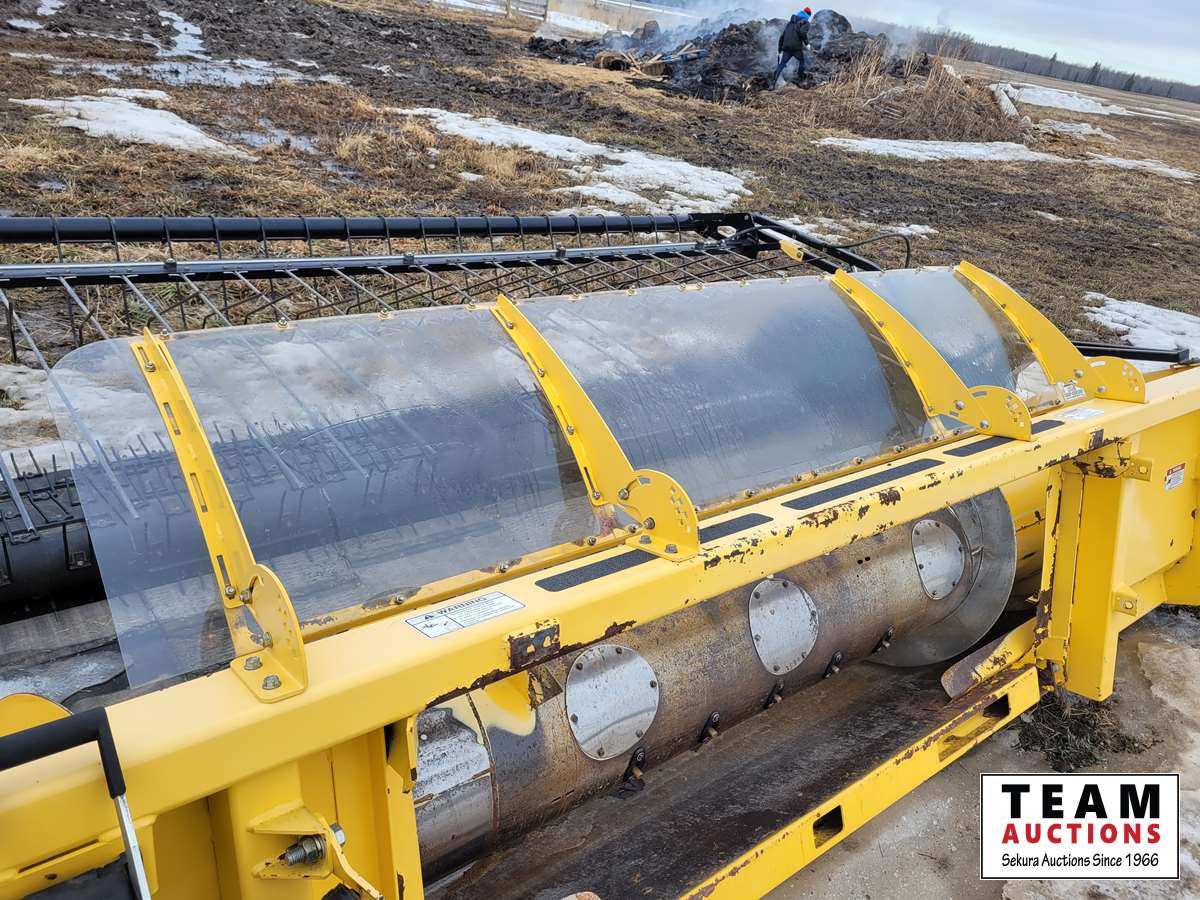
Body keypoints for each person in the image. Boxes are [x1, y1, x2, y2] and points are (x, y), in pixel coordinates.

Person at [773, 7, 812, 87]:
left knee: (781, 64)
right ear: (808, 15)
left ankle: (773, 83)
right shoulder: (806, 22)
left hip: (786, 48)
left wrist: (779, 50)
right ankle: (800, 78)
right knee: (802, 61)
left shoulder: (790, 23)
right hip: (796, 48)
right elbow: (802, 32)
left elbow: (782, 36)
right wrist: (807, 44)